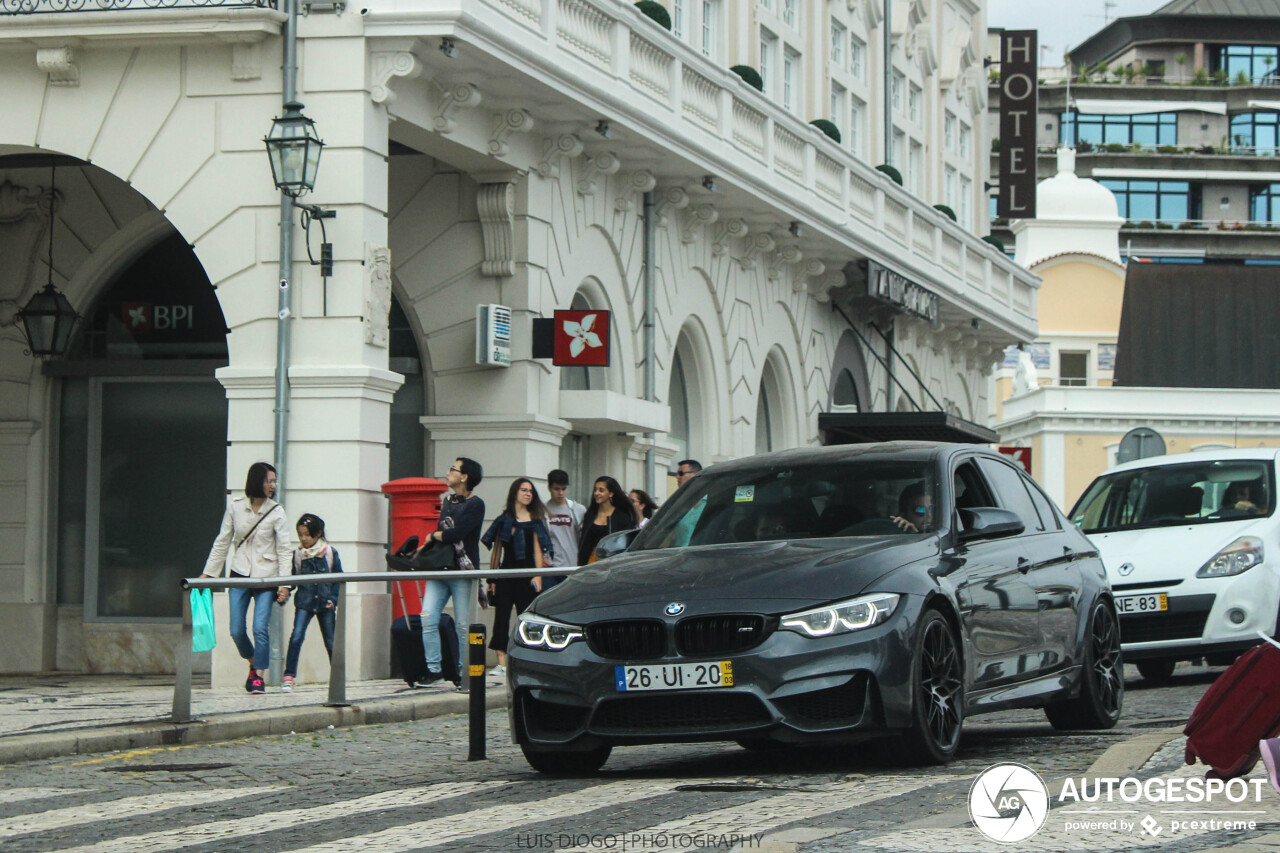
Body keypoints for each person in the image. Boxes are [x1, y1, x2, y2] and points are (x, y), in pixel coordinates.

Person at [201, 462, 292, 695]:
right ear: (257, 481)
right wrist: (208, 573)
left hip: (266, 576)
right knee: (236, 630)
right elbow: (223, 541)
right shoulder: (236, 507)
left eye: (274, 481)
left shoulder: (276, 511)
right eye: (269, 481)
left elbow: (284, 550)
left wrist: (284, 584)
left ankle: (259, 676)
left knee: (260, 627)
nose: (273, 485)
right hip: (239, 573)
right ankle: (253, 662)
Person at [417, 457, 485, 690]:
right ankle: (433, 670)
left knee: (463, 624)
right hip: (440, 567)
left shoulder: (476, 504)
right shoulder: (447, 500)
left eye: (453, 469)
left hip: (463, 570)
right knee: (427, 617)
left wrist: (434, 536)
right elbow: (447, 531)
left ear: (464, 477)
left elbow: (458, 532)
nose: (448, 472)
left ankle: (461, 671)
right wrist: (436, 537)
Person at [482, 478, 553, 675]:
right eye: (524, 490)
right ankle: (501, 662)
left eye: (531, 491)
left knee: (527, 618)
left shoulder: (536, 521)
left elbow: (538, 551)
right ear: (515, 493)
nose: (528, 494)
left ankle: (526, 658)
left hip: (527, 574)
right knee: (501, 617)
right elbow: (496, 551)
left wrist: (538, 576)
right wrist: (492, 580)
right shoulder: (503, 520)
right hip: (506, 573)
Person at [277, 513, 341, 692]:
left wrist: (333, 599)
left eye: (307, 534)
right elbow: (293, 580)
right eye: (300, 534)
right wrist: (285, 593)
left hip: (325, 603)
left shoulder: (329, 552)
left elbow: (339, 579)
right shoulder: (298, 555)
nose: (303, 539)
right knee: (296, 637)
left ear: (318, 533)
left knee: (331, 641)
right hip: (304, 602)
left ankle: (337, 675)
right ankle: (289, 675)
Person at [578, 476, 638, 565]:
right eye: (595, 490)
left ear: (611, 493)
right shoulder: (590, 515)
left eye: (601, 490)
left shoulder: (622, 517)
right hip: (590, 564)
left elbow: (626, 544)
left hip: (613, 564)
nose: (596, 493)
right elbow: (584, 543)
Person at [543, 469, 585, 589]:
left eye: (563, 489)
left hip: (573, 567)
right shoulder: (542, 511)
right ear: (549, 488)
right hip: (552, 567)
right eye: (556, 489)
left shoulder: (577, 509)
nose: (560, 493)